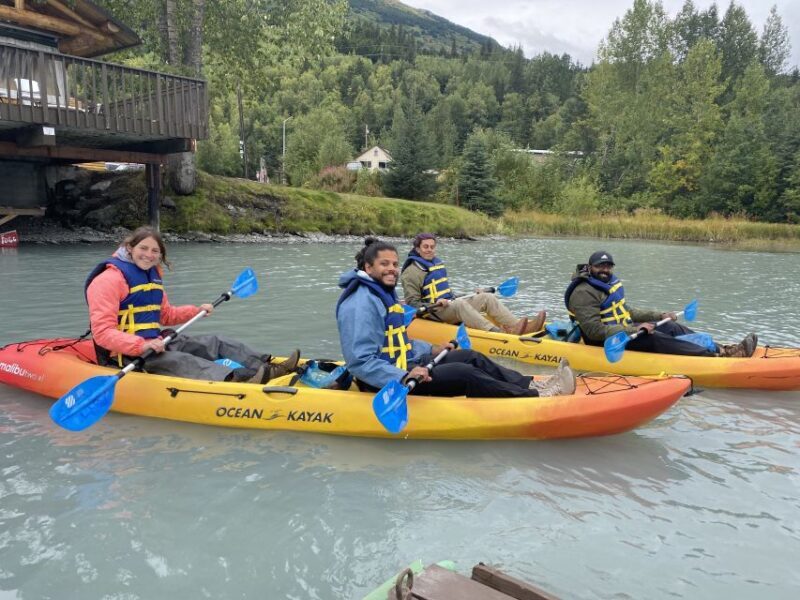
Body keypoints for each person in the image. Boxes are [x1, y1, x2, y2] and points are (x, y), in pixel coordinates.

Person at [336, 237, 576, 398]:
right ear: (368, 268)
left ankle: (530, 383)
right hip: (387, 381)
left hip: (403, 366)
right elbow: (360, 361)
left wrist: (431, 349)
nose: (392, 269)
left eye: (395, 264)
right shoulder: (360, 303)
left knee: (471, 357)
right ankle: (536, 396)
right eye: (384, 264)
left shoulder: (380, 293)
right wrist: (403, 376)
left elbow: (398, 342)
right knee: (464, 373)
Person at [85, 226, 300, 383]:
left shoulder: (151, 276)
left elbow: (165, 315)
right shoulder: (108, 280)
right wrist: (142, 346)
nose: (149, 255)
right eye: (144, 248)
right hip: (129, 354)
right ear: (130, 248)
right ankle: (242, 381)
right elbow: (102, 332)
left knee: (216, 342)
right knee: (185, 361)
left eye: (155, 251)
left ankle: (268, 366)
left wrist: (196, 310)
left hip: (158, 341)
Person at [564, 250, 757, 358]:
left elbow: (627, 310)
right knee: (653, 337)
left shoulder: (608, 283)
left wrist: (659, 316)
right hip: (603, 340)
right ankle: (713, 358)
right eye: (600, 266)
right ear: (590, 268)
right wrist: (632, 330)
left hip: (623, 330)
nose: (605, 270)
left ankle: (721, 348)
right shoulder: (583, 292)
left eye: (608, 266)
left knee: (670, 325)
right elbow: (593, 331)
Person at [400, 233, 546, 335]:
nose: (430, 250)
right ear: (418, 249)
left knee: (486, 297)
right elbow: (412, 304)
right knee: (459, 304)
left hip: (447, 305)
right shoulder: (411, 272)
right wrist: (436, 303)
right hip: (432, 312)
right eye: (426, 247)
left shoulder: (435, 264)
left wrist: (469, 294)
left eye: (432, 246)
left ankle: (517, 326)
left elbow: (447, 293)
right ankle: (498, 334)